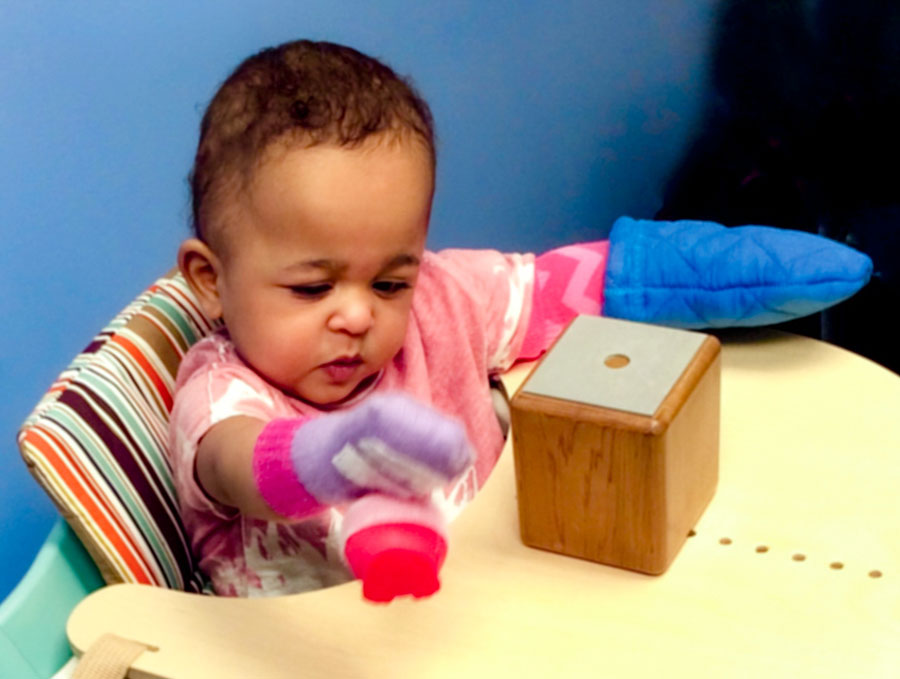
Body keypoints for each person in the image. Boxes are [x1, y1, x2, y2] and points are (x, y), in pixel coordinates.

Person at [170, 39, 871, 602]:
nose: (358, 313)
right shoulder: (222, 390)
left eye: (390, 279)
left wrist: (732, 269)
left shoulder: (438, 302)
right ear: (211, 281)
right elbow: (239, 463)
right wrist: (334, 454)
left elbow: (565, 288)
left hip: (493, 608)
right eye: (312, 287)